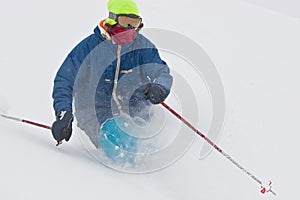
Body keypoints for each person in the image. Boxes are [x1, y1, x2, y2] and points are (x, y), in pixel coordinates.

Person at [51, 0, 173, 163]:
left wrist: (160, 87)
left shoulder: (142, 45)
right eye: (125, 22)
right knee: (124, 147)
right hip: (96, 112)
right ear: (112, 20)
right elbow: (65, 80)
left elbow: (161, 71)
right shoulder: (90, 47)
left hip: (135, 109)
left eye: (135, 23)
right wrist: (64, 114)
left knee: (152, 148)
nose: (131, 28)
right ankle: (132, 183)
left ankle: (164, 182)